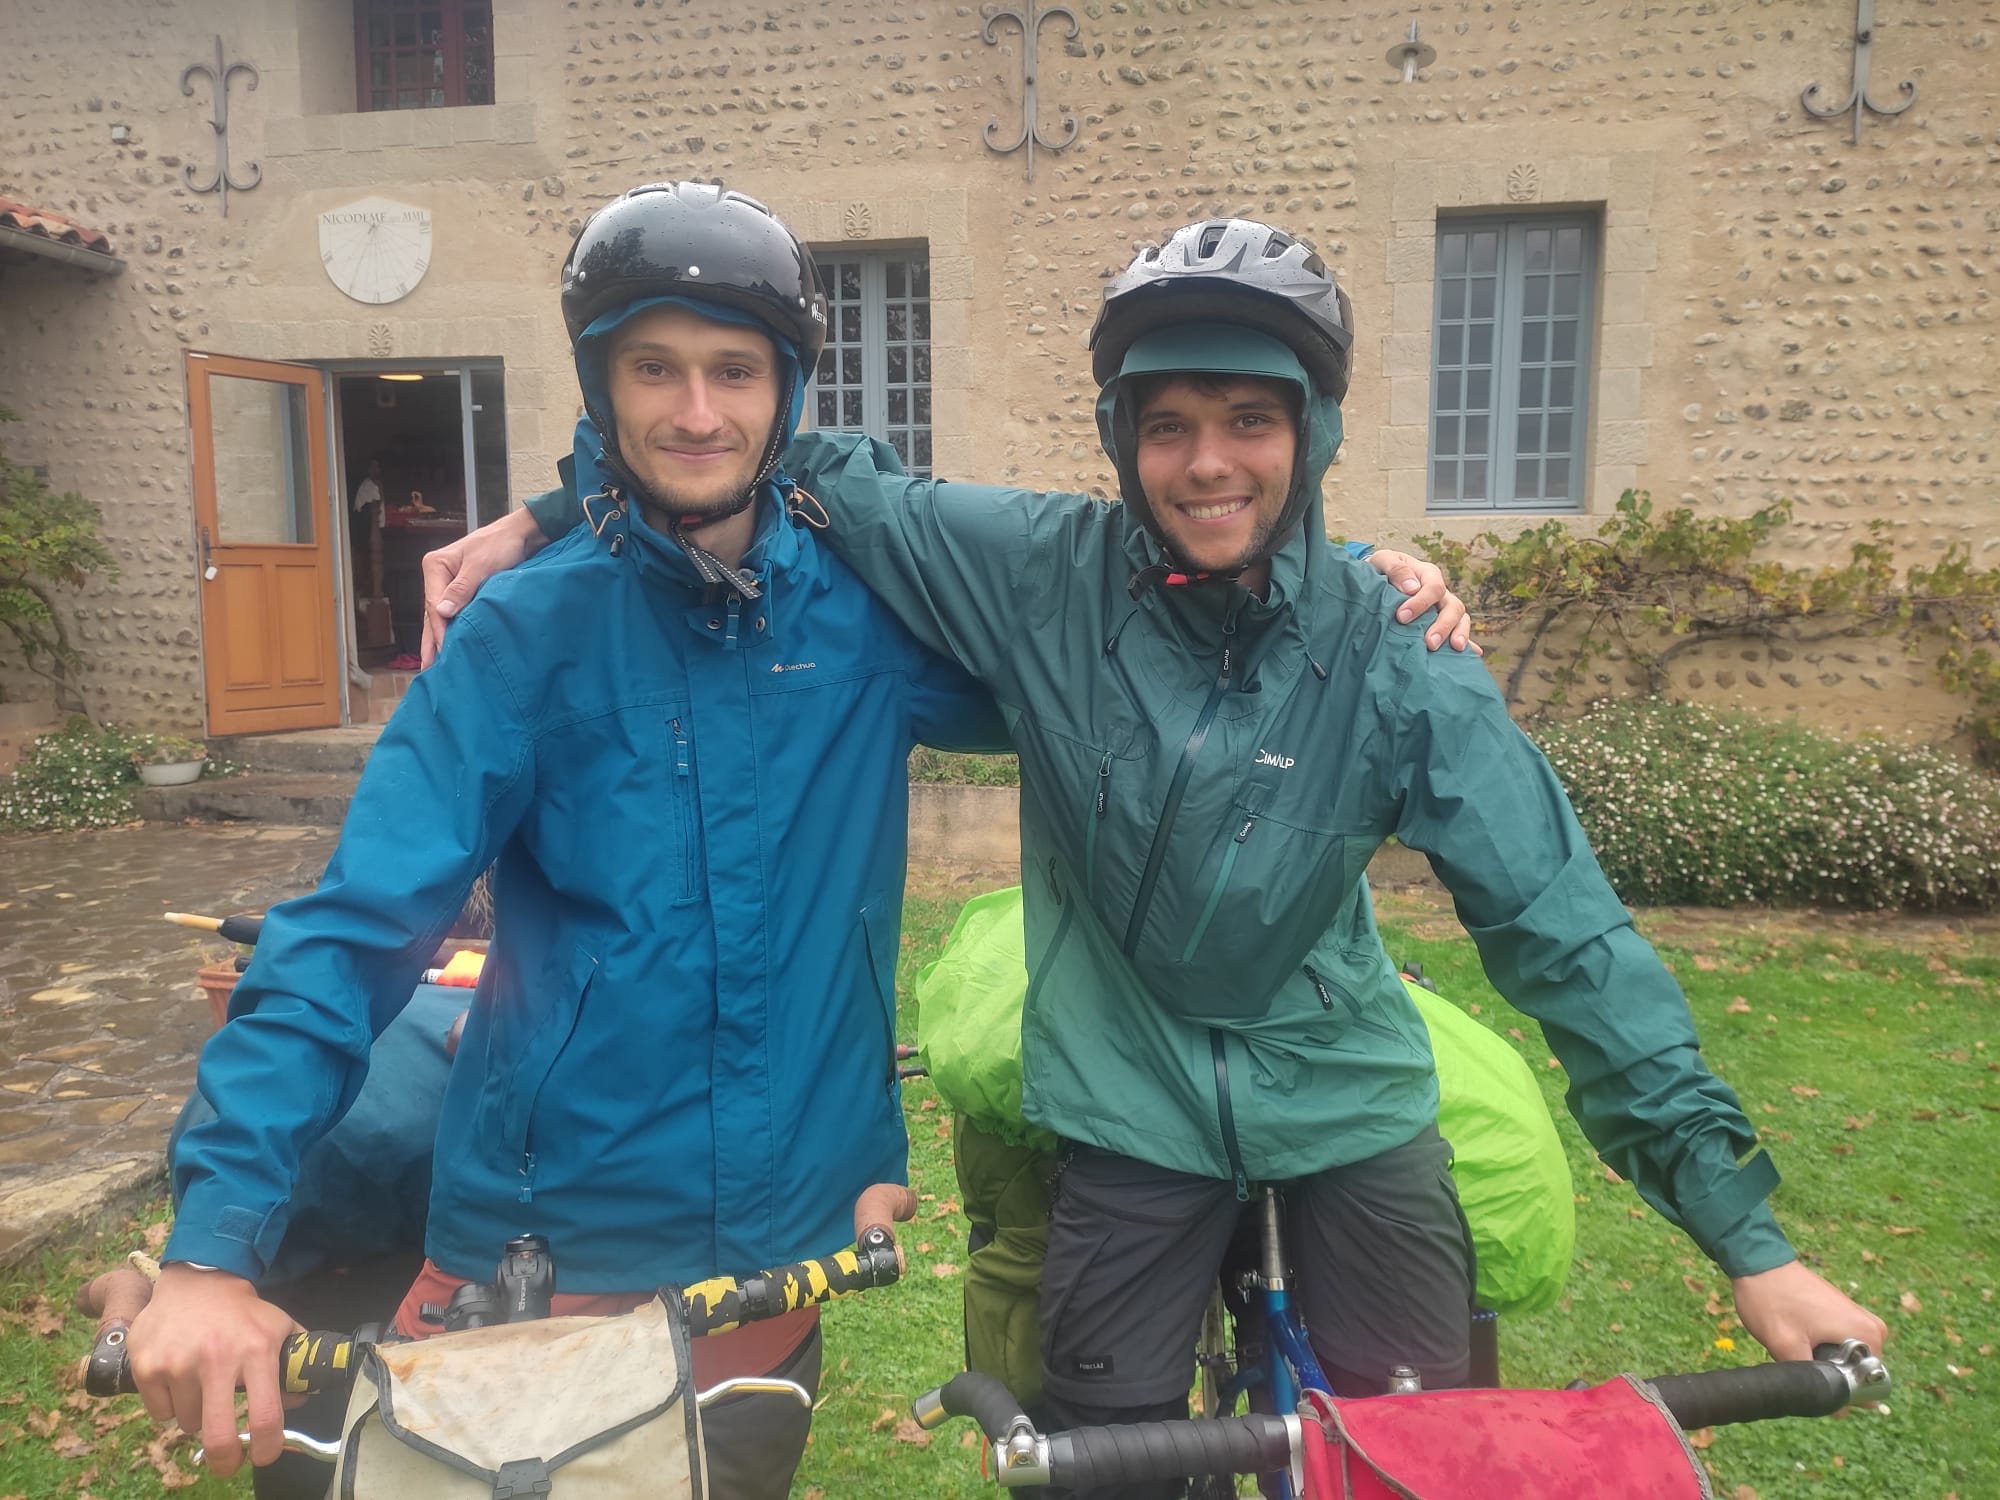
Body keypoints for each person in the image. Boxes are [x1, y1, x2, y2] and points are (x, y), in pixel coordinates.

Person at [432, 212, 1887, 1487]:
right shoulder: (1041, 577)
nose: (1208, 463)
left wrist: (1750, 1244)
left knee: (1417, 1447)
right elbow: (765, 450)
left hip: (1348, 1100)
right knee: (1106, 1457)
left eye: (1251, 420)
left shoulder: (1397, 654)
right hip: (1128, 1113)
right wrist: (555, 513)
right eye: (1168, 423)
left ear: (1313, 433)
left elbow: (1566, 932)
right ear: (1123, 436)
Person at [126, 182, 1012, 1496]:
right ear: (601, 387)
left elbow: (1095, 659)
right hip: (554, 1249)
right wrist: (208, 1252)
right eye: (655, 368)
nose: (696, 411)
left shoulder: (864, 616)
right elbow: (355, 930)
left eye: (735, 370)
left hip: (786, 1247)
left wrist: (1339, 591)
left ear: (788, 393)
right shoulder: (524, 634)